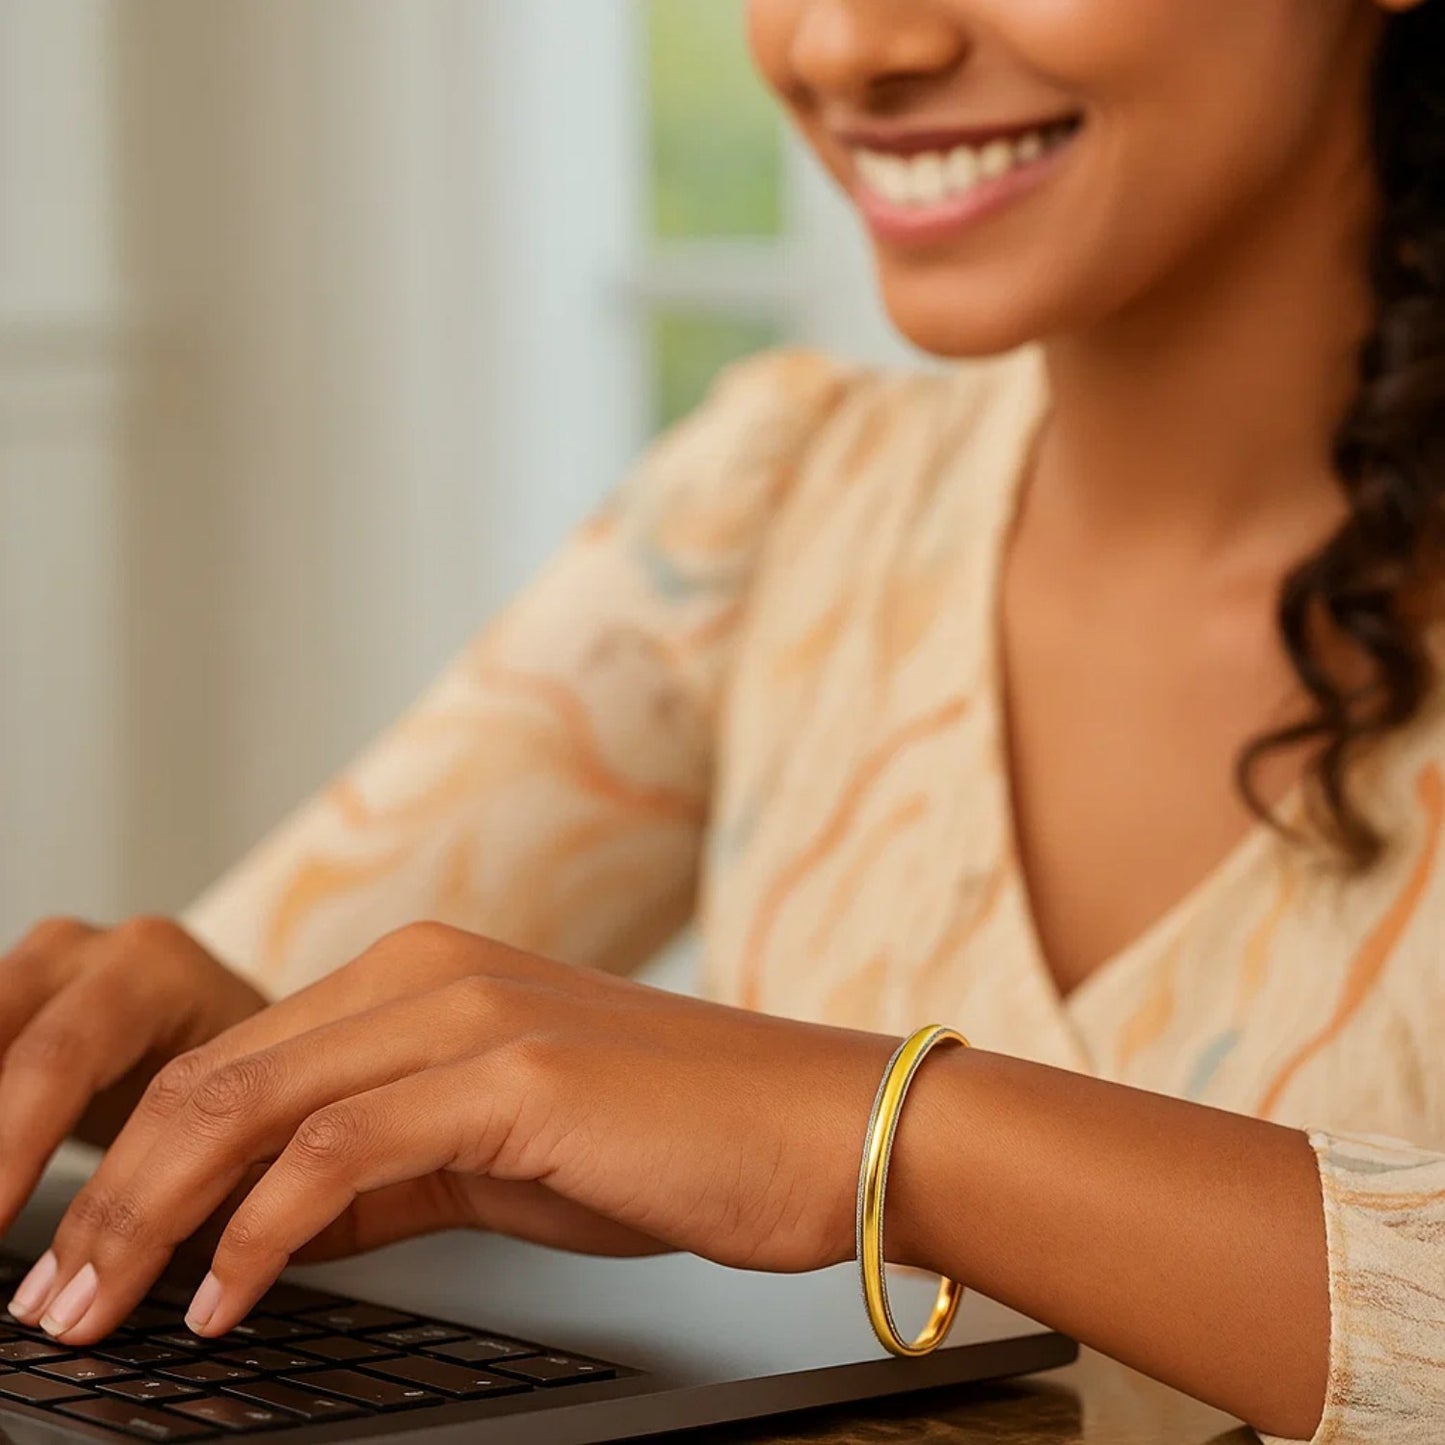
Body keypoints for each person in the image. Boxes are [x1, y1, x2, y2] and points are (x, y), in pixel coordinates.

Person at [1, 1, 1442, 1439]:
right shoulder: (773, 508)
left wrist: (875, 1135)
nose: (842, 45)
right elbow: (299, 1043)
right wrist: (206, 1082)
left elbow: (821, 1122)